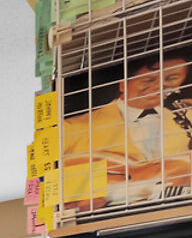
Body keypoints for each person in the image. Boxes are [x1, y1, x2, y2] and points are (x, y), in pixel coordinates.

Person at [59, 46, 192, 209]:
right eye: (149, 80)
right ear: (123, 84)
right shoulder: (71, 129)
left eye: (171, 78)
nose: (160, 86)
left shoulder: (188, 115)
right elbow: (53, 189)